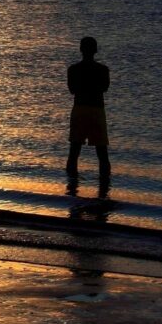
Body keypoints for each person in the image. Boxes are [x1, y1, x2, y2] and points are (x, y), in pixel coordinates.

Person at [65, 36, 111, 201]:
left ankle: (71, 191)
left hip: (79, 110)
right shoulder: (103, 70)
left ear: (81, 50)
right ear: (95, 50)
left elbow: (72, 90)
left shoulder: (73, 69)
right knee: (102, 154)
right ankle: (104, 191)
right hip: (97, 111)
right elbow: (105, 88)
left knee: (74, 152)